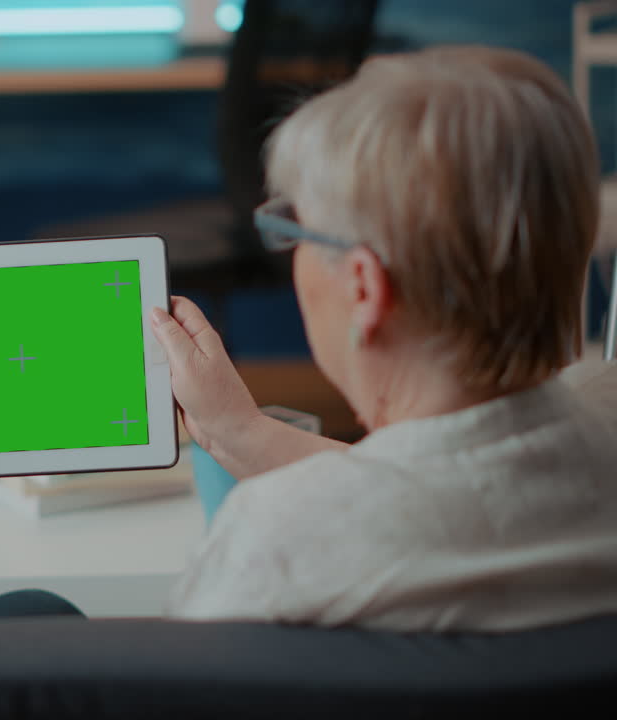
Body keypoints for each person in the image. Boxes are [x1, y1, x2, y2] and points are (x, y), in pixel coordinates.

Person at [150, 45, 617, 630]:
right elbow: (468, 476)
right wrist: (239, 431)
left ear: (364, 287)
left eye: (295, 228)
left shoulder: (272, 548)